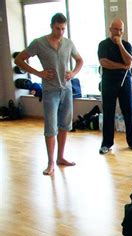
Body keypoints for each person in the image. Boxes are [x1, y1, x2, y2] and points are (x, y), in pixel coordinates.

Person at [15, 13, 83, 175]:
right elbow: (19, 59)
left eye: (63, 29)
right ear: (51, 26)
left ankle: (61, 157)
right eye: (57, 28)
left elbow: (80, 60)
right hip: (50, 91)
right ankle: (50, 163)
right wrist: (38, 73)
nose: (60, 32)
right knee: (51, 127)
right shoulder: (39, 43)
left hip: (66, 90)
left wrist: (73, 73)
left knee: (64, 125)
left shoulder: (68, 43)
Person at [98, 18, 132, 155]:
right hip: (108, 81)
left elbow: (129, 61)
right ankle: (106, 144)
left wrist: (120, 44)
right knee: (108, 112)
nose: (118, 32)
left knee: (129, 111)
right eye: (116, 29)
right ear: (110, 29)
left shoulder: (126, 45)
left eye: (121, 29)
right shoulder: (103, 44)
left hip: (125, 80)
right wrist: (121, 66)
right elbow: (104, 62)